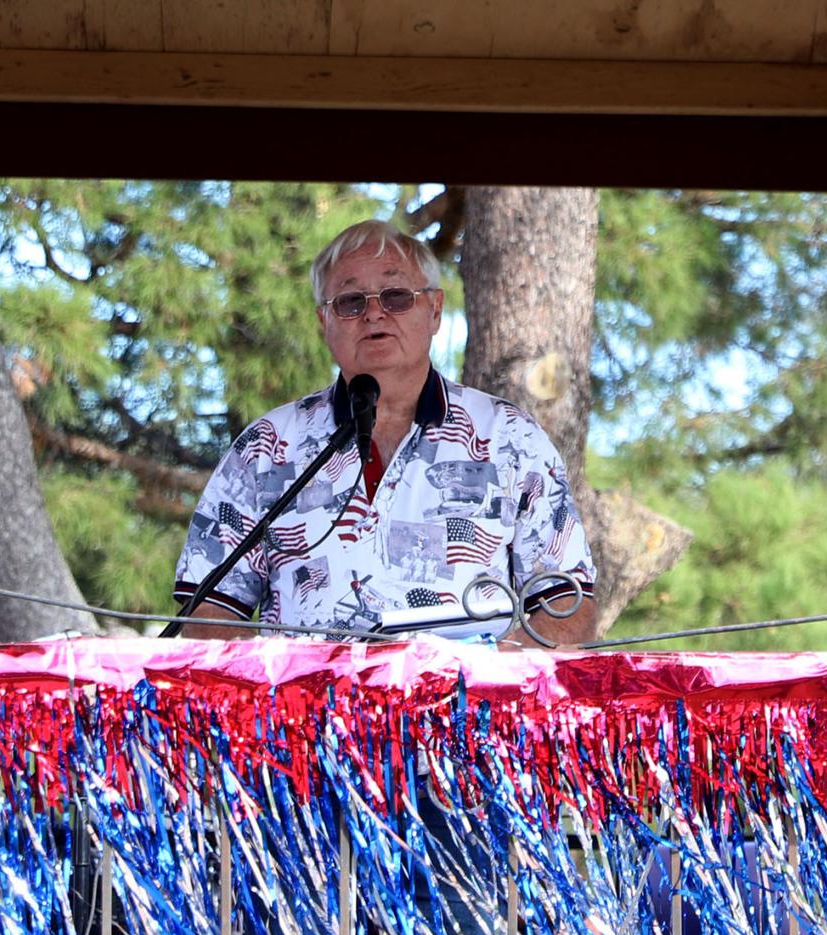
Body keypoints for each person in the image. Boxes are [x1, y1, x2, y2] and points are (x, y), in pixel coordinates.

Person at [173, 218, 598, 645]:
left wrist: (493, 672)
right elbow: (208, 612)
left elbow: (568, 606)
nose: (374, 312)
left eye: (396, 296)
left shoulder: (510, 438)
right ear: (324, 321)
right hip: (305, 690)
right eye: (350, 302)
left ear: (435, 310)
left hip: (466, 689)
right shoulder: (266, 446)